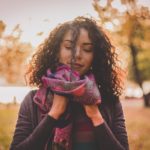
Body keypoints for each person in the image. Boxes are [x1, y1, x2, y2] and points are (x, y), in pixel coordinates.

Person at [10, 16, 129, 150]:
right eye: (68, 46)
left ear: (96, 56)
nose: (77, 54)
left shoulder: (110, 101)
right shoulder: (33, 101)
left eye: (87, 49)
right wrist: (54, 114)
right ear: (57, 51)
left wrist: (96, 117)